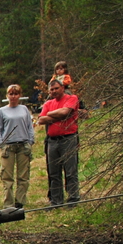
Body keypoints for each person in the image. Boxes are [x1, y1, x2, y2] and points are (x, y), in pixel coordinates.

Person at [38, 78, 82, 207]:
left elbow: (66, 111)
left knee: (70, 170)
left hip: (68, 139)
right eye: (51, 90)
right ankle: (56, 201)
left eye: (56, 88)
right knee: (54, 172)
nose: (54, 91)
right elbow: (41, 120)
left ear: (62, 88)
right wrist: (58, 115)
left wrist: (51, 115)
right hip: (52, 141)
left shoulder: (71, 98)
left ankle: (73, 198)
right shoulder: (48, 103)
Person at [0, 84, 35, 209]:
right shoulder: (2, 111)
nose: (13, 96)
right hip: (8, 147)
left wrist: (30, 142)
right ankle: (8, 203)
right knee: (7, 176)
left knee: (23, 176)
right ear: (7, 95)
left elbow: (29, 127)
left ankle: (20, 201)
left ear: (19, 95)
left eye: (16, 94)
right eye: (11, 94)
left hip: (23, 145)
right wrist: (1, 145)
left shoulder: (24, 109)